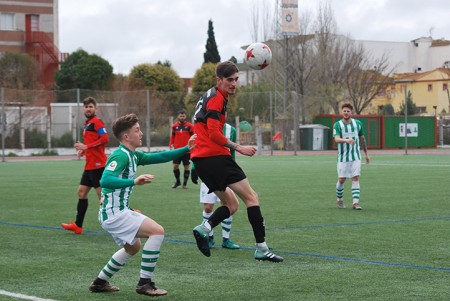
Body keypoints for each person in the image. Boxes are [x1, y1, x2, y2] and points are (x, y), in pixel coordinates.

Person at [88, 113, 196, 297]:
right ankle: (144, 283)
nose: (141, 134)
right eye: (137, 130)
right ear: (126, 137)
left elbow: (160, 156)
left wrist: (186, 148)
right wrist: (134, 182)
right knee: (157, 231)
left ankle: (99, 282)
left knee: (133, 247)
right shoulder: (120, 155)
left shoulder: (133, 155)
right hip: (114, 214)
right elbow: (105, 180)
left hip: (114, 212)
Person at [190, 61, 283, 262]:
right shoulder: (216, 99)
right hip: (215, 157)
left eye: (236, 79)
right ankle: (261, 248)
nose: (234, 84)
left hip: (202, 160)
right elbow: (214, 134)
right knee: (252, 198)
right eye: (229, 80)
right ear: (219, 80)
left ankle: (204, 228)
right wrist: (238, 147)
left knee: (231, 204)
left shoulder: (209, 95)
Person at [62, 97, 109, 234]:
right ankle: (78, 226)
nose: (88, 109)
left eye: (90, 107)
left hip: (98, 165)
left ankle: (126, 216)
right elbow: (90, 143)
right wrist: (83, 150)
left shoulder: (97, 123)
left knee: (103, 197)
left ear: (95, 108)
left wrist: (86, 146)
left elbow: (105, 139)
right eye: (86, 107)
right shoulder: (87, 124)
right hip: (89, 166)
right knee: (81, 192)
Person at [195, 123, 240, 250]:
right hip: (208, 171)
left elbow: (232, 153)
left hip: (225, 173)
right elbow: (197, 147)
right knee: (208, 207)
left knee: (227, 205)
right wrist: (194, 167)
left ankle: (226, 239)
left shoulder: (231, 130)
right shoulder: (203, 127)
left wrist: (234, 170)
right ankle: (209, 236)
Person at [333, 103, 370, 210]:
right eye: (344, 111)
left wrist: (366, 155)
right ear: (341, 112)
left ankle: (355, 203)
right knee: (341, 180)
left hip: (356, 157)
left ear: (351, 113)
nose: (346, 112)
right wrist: (346, 140)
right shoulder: (337, 125)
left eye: (348, 111)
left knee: (355, 178)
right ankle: (339, 200)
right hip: (343, 157)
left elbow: (362, 139)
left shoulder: (357, 124)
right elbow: (336, 139)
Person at [169, 110, 194, 189]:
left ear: (185, 116)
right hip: (177, 150)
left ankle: (185, 184)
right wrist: (170, 144)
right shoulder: (174, 126)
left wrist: (193, 146)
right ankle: (178, 181)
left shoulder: (190, 126)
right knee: (175, 166)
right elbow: (172, 136)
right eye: (180, 116)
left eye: (183, 116)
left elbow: (193, 137)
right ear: (178, 117)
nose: (182, 117)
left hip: (187, 150)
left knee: (186, 166)